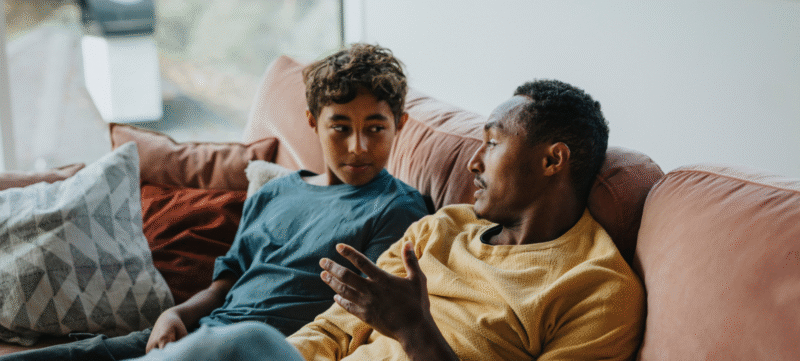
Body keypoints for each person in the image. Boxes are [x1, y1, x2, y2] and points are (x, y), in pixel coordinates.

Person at [127, 79, 646, 361]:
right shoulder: (440, 228)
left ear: (552, 160)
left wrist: (416, 333)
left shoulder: (597, 288)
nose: (473, 163)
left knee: (239, 343)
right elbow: (333, 327)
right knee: (244, 347)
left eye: (491, 143)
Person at [1, 43, 428, 361]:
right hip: (201, 330)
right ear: (313, 123)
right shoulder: (277, 192)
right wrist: (178, 315)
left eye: (375, 128)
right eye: (340, 128)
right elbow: (229, 280)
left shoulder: (397, 210)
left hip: (256, 348)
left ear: (399, 125)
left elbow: (360, 319)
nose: (358, 146)